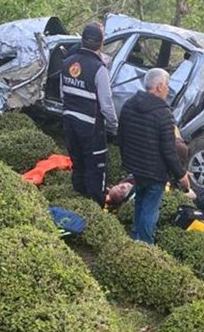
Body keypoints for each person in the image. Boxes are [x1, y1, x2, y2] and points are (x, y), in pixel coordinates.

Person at [118, 67, 191, 244]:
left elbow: (121, 135)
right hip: (155, 172)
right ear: (158, 87)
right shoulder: (163, 114)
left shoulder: (129, 104)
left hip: (135, 167)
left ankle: (135, 239)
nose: (168, 89)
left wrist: (127, 160)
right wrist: (181, 175)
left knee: (140, 203)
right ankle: (145, 247)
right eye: (167, 85)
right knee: (149, 210)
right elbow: (169, 151)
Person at [61, 22, 118, 206]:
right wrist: (114, 126)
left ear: (82, 40)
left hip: (69, 122)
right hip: (91, 127)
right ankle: (96, 206)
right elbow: (106, 104)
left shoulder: (67, 62)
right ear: (101, 44)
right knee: (96, 169)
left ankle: (77, 202)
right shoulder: (99, 68)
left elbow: (63, 94)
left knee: (78, 164)